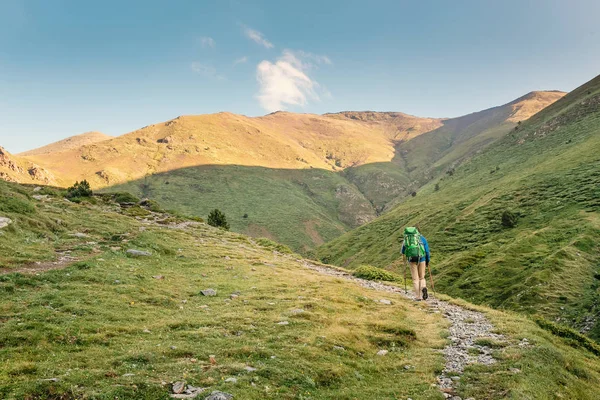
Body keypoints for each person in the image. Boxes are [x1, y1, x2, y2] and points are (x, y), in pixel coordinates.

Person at [401, 226, 431, 301]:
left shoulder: (406, 239)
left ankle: (418, 297)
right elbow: (427, 251)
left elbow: (403, 251)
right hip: (422, 259)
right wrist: (427, 261)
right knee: (422, 277)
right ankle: (423, 287)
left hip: (411, 260)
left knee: (415, 278)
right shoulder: (422, 239)